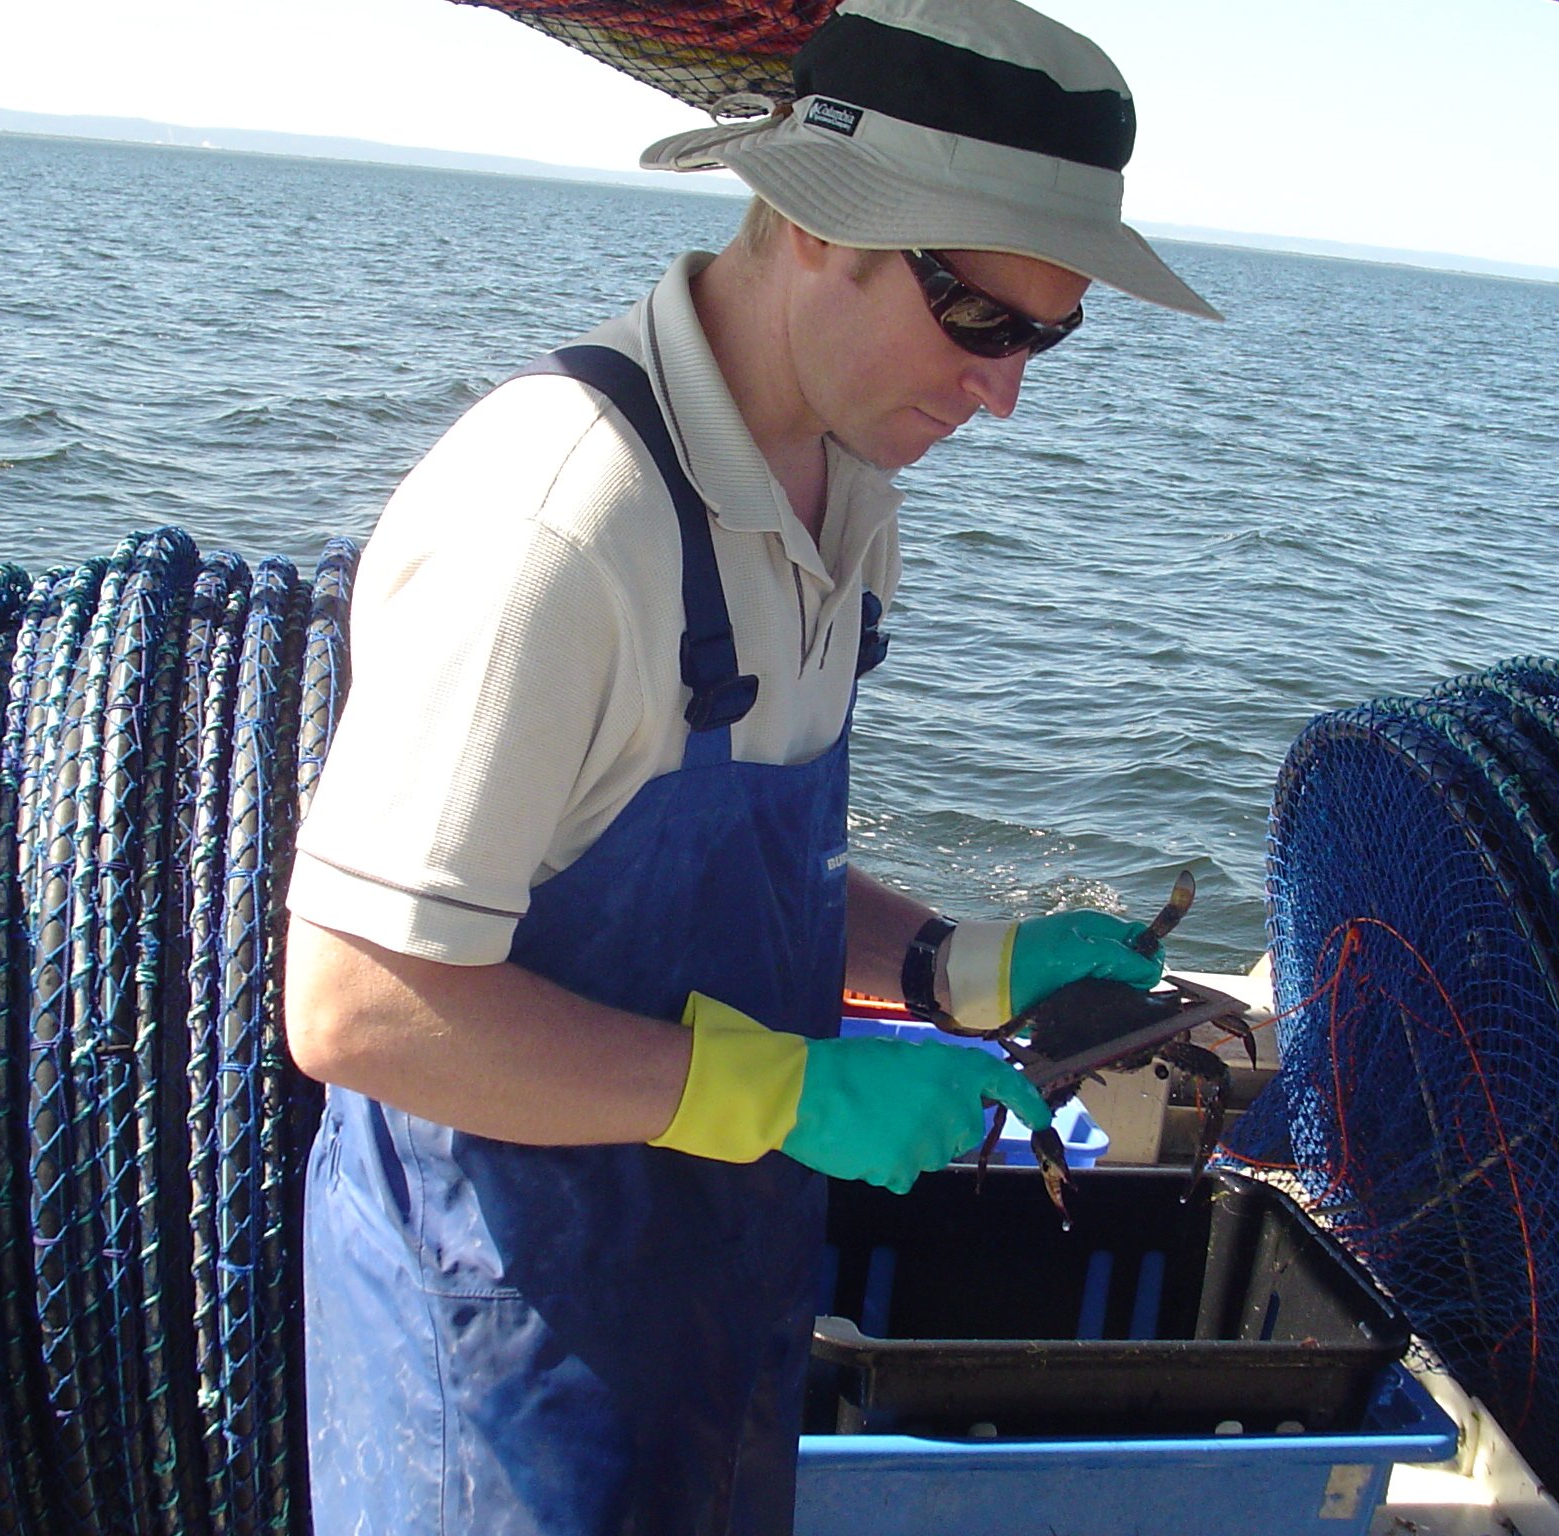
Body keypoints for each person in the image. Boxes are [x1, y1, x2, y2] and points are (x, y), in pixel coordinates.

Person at [282, 0, 1220, 1530]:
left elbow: (731, 877)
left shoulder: (849, 485)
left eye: (1048, 334)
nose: (1006, 390)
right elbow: (361, 1004)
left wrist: (956, 966)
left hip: (716, 1300)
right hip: (494, 1361)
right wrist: (775, 1091)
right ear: (814, 226)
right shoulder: (554, 532)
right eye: (979, 319)